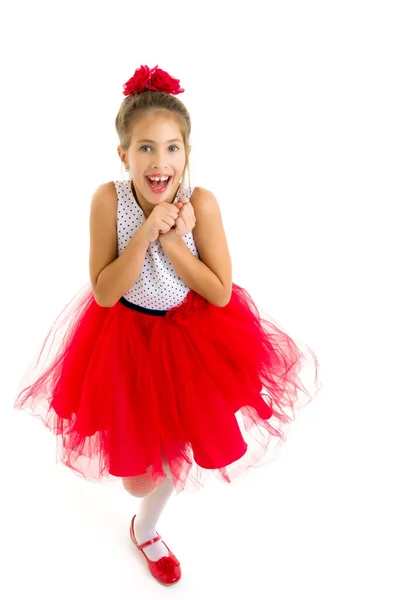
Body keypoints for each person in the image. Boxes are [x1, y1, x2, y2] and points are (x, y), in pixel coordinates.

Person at [13, 64, 322, 586]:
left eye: (172, 148)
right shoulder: (108, 199)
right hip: (123, 337)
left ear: (188, 153)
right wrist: (147, 232)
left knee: (179, 443)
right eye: (146, 148)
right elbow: (106, 291)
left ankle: (149, 531)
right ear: (124, 155)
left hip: (190, 338)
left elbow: (220, 291)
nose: (160, 162)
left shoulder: (200, 202)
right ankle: (141, 510)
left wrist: (176, 241)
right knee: (137, 479)